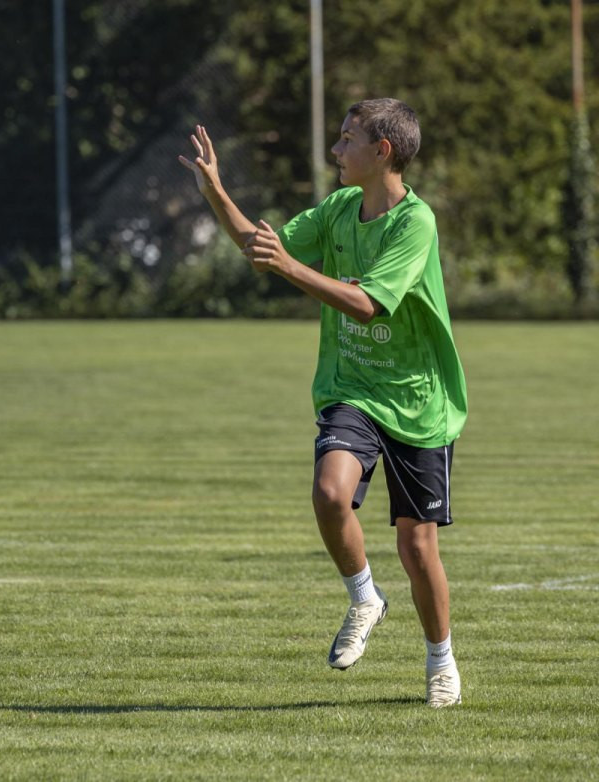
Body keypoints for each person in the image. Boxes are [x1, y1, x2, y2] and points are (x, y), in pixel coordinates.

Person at [178, 99, 467, 708]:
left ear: (381, 150)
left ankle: (440, 659)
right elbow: (263, 248)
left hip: (418, 402)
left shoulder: (415, 223)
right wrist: (216, 193)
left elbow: (367, 304)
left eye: (346, 140)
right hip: (352, 389)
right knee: (330, 493)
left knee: (417, 548)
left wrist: (289, 269)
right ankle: (364, 596)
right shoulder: (338, 208)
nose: (335, 151)